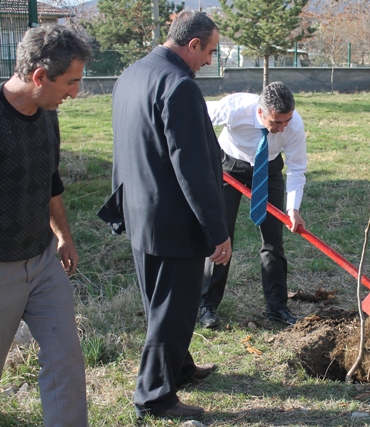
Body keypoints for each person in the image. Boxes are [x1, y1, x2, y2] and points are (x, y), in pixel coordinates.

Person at [107, 11, 231, 418]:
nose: (210, 61)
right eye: (209, 51)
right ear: (192, 44)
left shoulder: (132, 74)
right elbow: (192, 167)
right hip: (173, 221)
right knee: (171, 309)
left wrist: (119, 203)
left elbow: (125, 147)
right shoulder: (179, 86)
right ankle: (154, 397)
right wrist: (217, 231)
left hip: (141, 213)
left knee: (160, 303)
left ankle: (179, 366)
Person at [0, 24, 91, 426]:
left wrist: (63, 236)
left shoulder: (46, 114)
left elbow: (50, 181)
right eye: (70, 82)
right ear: (40, 76)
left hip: (41, 261)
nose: (75, 92)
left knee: (66, 359)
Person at [199, 81, 307, 328]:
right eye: (276, 122)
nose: (282, 127)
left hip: (268, 169)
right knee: (220, 237)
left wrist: (293, 208)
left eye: (286, 121)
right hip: (229, 167)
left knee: (273, 242)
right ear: (260, 113)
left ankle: (277, 307)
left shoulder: (293, 124)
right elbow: (196, 115)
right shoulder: (235, 108)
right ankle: (207, 305)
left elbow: (297, 168)